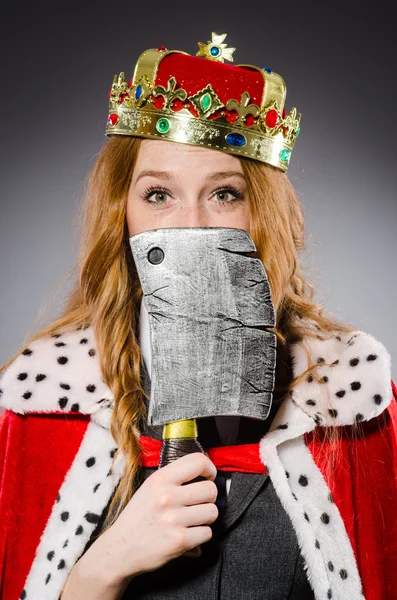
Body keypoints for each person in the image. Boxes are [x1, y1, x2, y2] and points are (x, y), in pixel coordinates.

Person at [0, 32, 396, 600]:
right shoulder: (46, 403)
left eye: (225, 194)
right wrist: (100, 570)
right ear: (124, 214)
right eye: (159, 194)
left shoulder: (348, 400)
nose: (192, 223)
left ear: (261, 215)